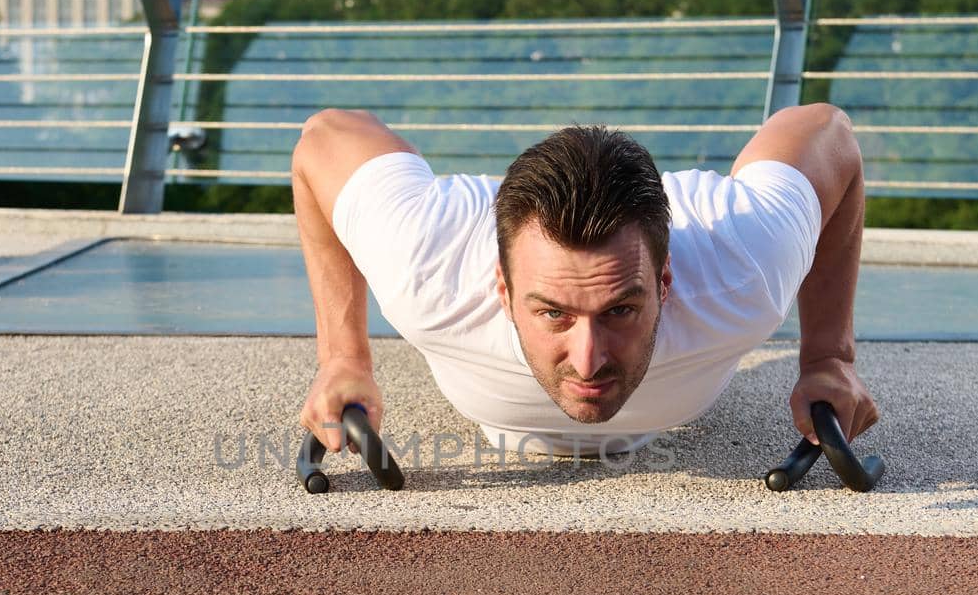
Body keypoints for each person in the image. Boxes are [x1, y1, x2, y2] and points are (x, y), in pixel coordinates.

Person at [292, 104, 879, 462]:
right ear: (502, 290)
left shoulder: (743, 264)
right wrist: (343, 358)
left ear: (666, 282)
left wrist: (828, 357)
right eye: (553, 314)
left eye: (620, 310)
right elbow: (323, 136)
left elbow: (829, 132)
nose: (589, 359)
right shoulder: (428, 265)